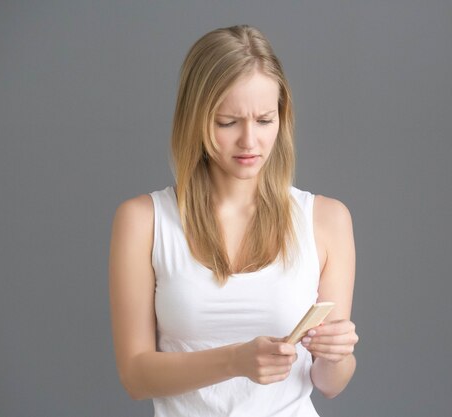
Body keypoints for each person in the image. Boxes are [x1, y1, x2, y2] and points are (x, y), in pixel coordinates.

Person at [108, 24, 358, 416]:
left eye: (264, 120)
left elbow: (330, 384)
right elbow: (136, 376)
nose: (249, 142)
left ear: (282, 117)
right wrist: (234, 361)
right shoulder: (143, 221)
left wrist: (336, 355)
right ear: (195, 119)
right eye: (227, 122)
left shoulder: (327, 220)